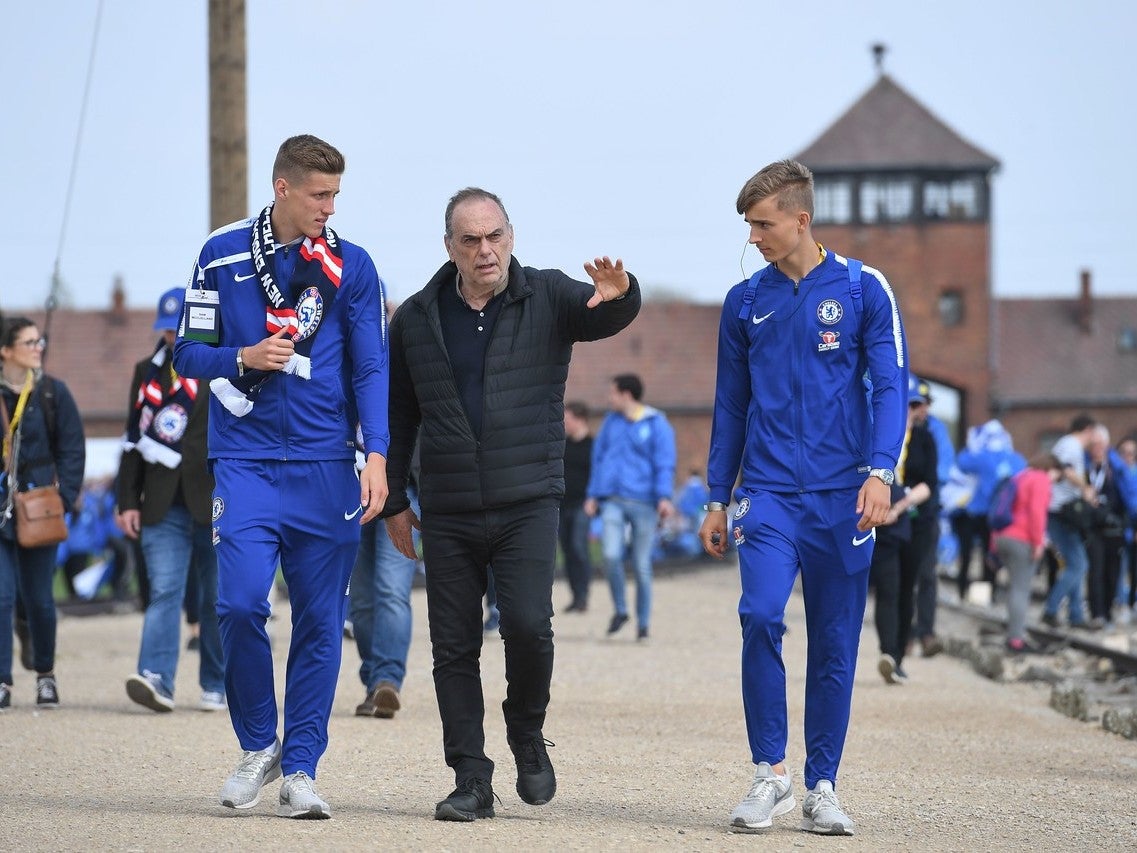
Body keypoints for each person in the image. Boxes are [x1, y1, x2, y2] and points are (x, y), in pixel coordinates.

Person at [383, 187, 640, 822]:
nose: (485, 250)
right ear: (449, 247)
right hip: (448, 507)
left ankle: (526, 730)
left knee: (527, 625)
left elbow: (605, 315)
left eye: (494, 235)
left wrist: (622, 291)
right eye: (470, 240)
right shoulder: (416, 319)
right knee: (453, 645)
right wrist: (393, 500)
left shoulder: (548, 296)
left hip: (528, 499)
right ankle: (470, 776)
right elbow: (397, 416)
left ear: (512, 236)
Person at [173, 135, 389, 819]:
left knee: (322, 621)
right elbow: (186, 353)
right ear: (283, 188)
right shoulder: (222, 252)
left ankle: (300, 766)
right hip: (245, 461)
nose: (330, 207)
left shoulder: (351, 265)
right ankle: (257, 744)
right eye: (320, 194)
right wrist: (242, 354)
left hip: (327, 464)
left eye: (336, 195)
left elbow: (369, 366)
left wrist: (377, 452)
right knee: (237, 605)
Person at [698, 160, 908, 836]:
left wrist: (880, 471)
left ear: (799, 218)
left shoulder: (861, 289)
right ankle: (770, 773)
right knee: (759, 614)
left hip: (843, 497)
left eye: (761, 224)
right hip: (765, 494)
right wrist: (712, 495)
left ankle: (822, 784)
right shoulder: (744, 301)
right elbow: (730, 404)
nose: (752, 236)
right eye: (748, 226)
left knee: (835, 642)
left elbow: (890, 386)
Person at [116, 287, 225, 713]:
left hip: (216, 500)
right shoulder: (147, 372)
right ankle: (156, 678)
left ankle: (216, 681)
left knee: (218, 597)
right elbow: (132, 441)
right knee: (164, 590)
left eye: (176, 330)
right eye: (164, 331)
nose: (169, 339)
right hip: (160, 503)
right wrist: (127, 501)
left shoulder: (219, 366)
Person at [0, 317, 86, 711]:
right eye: (29, 341)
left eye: (40, 340)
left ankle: (45, 675)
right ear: (6, 350)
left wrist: (64, 499)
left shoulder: (52, 392)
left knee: (39, 599)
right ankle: (2, 680)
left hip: (40, 509)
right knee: (2, 597)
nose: (38, 347)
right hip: (1, 508)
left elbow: (72, 450)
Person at [585, 374, 676, 640]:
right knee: (611, 555)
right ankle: (621, 610)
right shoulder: (610, 424)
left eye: (612, 393)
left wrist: (664, 496)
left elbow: (664, 461)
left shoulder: (657, 423)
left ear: (626, 394)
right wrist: (592, 494)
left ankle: (644, 623)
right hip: (612, 500)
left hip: (645, 501)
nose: (608, 398)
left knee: (641, 564)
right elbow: (598, 460)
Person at [348, 406, 419, 719]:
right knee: (361, 598)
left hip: (402, 487)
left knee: (391, 590)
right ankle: (374, 681)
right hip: (346, 489)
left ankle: (387, 679)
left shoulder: (405, 359)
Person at [874, 377, 937, 683]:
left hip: (916, 523)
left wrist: (898, 508)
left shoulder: (925, 439)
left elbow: (930, 484)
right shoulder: (880, 433)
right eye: (908, 404)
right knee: (888, 587)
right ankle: (887, 652)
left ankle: (899, 654)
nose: (912, 411)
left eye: (915, 405)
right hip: (885, 528)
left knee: (907, 589)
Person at [992, 453, 1063, 652]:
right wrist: (1038, 542)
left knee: (1014, 587)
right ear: (1053, 468)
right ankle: (1016, 639)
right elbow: (1036, 512)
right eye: (1059, 476)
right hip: (1021, 538)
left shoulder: (1021, 475)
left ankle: (1013, 633)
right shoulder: (1041, 479)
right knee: (1021, 589)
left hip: (1003, 536)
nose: (1057, 481)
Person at [953, 420, 1026, 604]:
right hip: (1000, 517)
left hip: (975, 513)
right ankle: (989, 593)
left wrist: (971, 444)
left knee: (967, 554)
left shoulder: (982, 456)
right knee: (991, 555)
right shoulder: (1016, 458)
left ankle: (963, 591)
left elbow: (962, 463)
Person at [1040, 414, 1098, 628]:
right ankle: (1051, 609)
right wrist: (1085, 488)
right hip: (1060, 512)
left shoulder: (1066, 444)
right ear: (1088, 430)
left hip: (1060, 512)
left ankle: (1076, 615)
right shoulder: (1071, 445)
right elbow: (1066, 469)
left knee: (1075, 563)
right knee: (1079, 564)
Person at [900, 377, 940, 663]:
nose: (921, 410)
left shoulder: (927, 438)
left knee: (926, 574)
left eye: (923, 405)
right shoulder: (893, 433)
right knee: (901, 578)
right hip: (896, 519)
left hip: (922, 515)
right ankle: (906, 634)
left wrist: (906, 502)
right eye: (916, 404)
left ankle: (926, 632)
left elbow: (931, 480)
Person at [559, 401, 593, 613]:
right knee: (567, 550)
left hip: (583, 504)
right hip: (563, 504)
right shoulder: (564, 445)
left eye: (567, 419)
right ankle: (575, 595)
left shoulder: (593, 445)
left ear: (579, 419)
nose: (564, 423)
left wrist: (594, 500)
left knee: (579, 547)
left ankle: (583, 594)